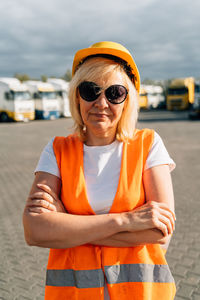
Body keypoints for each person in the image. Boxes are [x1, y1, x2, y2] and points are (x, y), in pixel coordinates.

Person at [23, 41, 176, 300]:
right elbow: (34, 231)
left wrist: (67, 225)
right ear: (76, 96)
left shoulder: (148, 144)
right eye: (90, 90)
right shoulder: (57, 149)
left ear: (128, 100)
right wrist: (125, 221)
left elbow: (158, 234)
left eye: (114, 93)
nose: (101, 103)